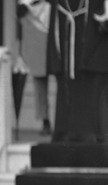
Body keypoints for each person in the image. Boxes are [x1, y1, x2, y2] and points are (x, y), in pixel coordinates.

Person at [47, 0, 108, 142]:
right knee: (68, 95)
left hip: (92, 56)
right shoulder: (59, 4)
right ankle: (68, 132)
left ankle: (92, 133)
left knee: (94, 95)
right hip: (68, 57)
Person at [17, 0, 53, 136]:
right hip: (37, 49)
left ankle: (49, 122)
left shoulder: (50, 6)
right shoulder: (23, 8)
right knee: (40, 89)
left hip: (48, 48)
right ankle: (46, 121)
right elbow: (22, 32)